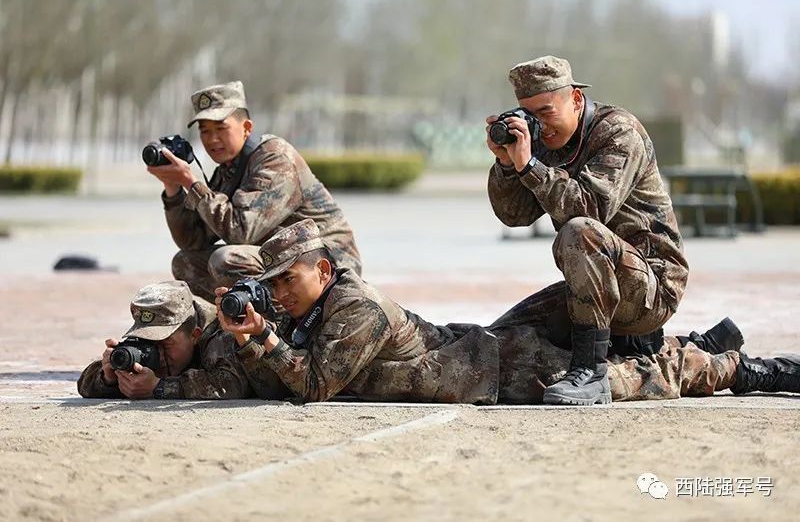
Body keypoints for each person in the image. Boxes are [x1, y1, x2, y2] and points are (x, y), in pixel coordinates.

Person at [215, 220, 800, 404]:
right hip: (490, 349)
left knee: (645, 378)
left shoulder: (351, 304)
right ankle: (692, 342)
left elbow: (315, 384)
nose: (280, 293)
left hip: (508, 373)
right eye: (274, 284)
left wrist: (262, 338)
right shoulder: (310, 311)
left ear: (322, 270)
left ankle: (742, 369)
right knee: (614, 348)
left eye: (288, 279)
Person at [485, 55, 689, 405]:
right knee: (500, 337)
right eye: (529, 115)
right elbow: (514, 215)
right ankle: (690, 348)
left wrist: (530, 166)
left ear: (576, 99)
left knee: (579, 231)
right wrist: (507, 163)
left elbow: (589, 210)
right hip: (596, 288)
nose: (540, 125)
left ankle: (591, 371)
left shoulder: (618, 131)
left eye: (547, 112)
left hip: (652, 287)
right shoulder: (546, 144)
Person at [147, 80, 362, 303]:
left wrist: (192, 183)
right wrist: (173, 188)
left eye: (221, 128)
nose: (212, 139)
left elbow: (241, 231)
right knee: (185, 262)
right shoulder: (227, 171)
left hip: (327, 265)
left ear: (247, 128)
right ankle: (240, 322)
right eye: (205, 131)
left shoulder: (274, 158)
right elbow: (193, 241)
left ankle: (276, 327)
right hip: (283, 259)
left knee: (226, 260)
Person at [76, 280, 282, 400]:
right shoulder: (163, 330)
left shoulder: (221, 334)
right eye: (150, 341)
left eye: (165, 343)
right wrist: (107, 378)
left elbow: (231, 384)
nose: (158, 353)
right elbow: (84, 385)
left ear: (195, 335)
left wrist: (159, 387)